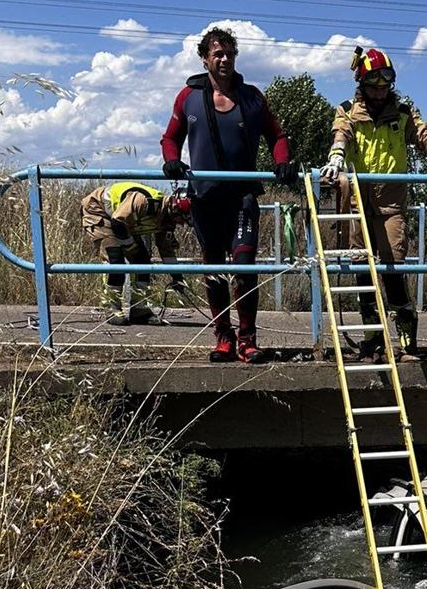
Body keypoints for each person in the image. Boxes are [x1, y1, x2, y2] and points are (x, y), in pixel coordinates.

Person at [320, 47, 427, 360]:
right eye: (373, 85)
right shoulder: (348, 110)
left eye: (385, 85)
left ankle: (407, 341)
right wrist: (336, 155)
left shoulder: (402, 114)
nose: (380, 92)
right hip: (356, 202)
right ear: (361, 83)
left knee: (393, 267)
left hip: (390, 203)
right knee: (362, 271)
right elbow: (342, 133)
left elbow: (425, 136)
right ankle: (373, 339)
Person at [160, 26, 297, 363]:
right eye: (217, 54)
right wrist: (172, 162)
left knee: (245, 264)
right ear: (205, 58)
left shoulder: (252, 97)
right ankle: (223, 337)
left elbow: (277, 136)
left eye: (230, 54)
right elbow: (170, 139)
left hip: (242, 199)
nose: (224, 60)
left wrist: (282, 163)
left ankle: (247, 339)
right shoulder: (187, 97)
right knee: (215, 268)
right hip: (205, 198)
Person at [80, 181, 190, 325]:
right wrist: (131, 247)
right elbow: (118, 222)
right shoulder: (144, 201)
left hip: (123, 223)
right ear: (174, 208)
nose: (180, 224)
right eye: (181, 219)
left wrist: (177, 277)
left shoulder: (168, 219)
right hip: (99, 211)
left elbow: (166, 249)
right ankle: (111, 307)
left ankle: (139, 309)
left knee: (143, 261)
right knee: (115, 259)